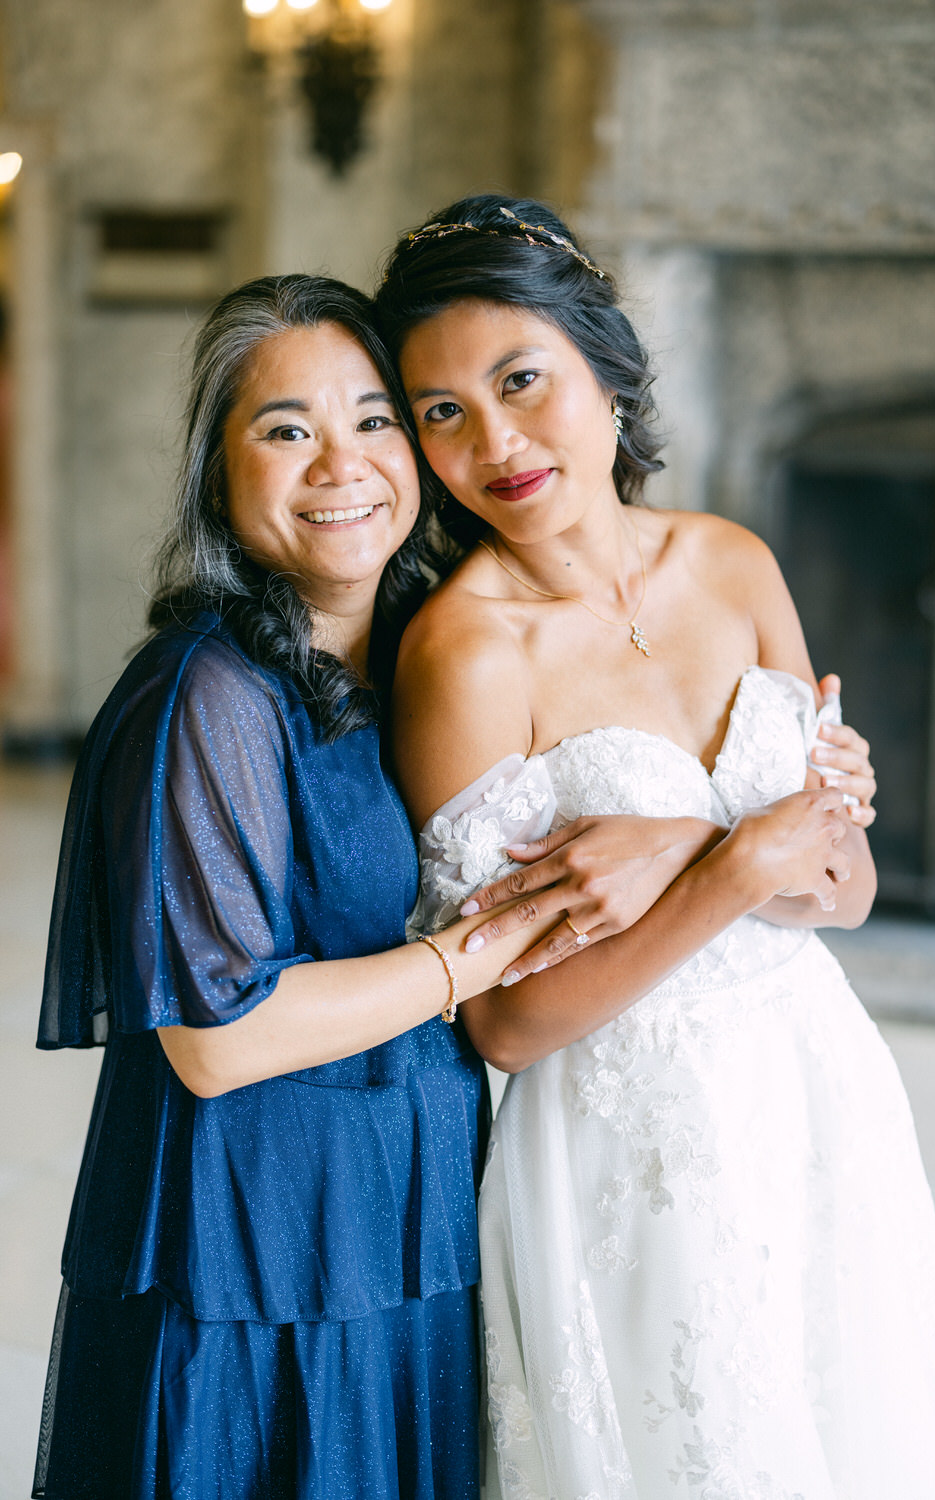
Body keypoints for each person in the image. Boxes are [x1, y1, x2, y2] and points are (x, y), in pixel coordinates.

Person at [376, 196, 935, 1498]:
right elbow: (503, 1025)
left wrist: (740, 849)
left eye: (521, 379)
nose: (493, 440)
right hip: (635, 1137)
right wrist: (724, 865)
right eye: (442, 411)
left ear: (605, 367)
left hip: (818, 1087)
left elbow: (843, 887)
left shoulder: (733, 562)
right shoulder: (466, 654)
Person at [32, 274, 569, 1500]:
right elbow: (218, 1040)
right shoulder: (208, 693)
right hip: (253, 1248)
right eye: (287, 431)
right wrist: (471, 960)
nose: (343, 463)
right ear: (219, 476)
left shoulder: (434, 651)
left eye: (375, 419)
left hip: (402, 1215)